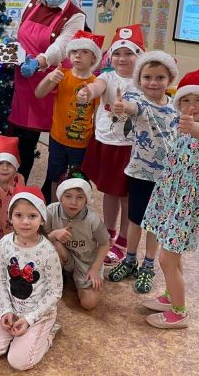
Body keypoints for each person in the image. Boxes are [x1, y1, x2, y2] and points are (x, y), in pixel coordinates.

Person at [141, 69, 199, 329]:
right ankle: (170, 296)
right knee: (173, 257)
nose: (191, 106)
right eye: (186, 100)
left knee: (166, 259)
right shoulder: (183, 128)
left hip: (185, 203)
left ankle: (179, 312)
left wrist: (193, 127)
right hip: (169, 195)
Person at [7, 0, 87, 184]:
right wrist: (13, 46)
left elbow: (62, 46)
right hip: (25, 80)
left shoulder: (75, 15)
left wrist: (40, 61)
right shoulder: (31, 4)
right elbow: (21, 34)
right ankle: (17, 189)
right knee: (24, 140)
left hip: (54, 80)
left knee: (57, 143)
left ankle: (49, 193)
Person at [107, 51, 179, 294]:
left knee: (155, 225)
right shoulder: (138, 101)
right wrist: (121, 107)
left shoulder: (175, 107)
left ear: (169, 79)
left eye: (160, 77)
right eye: (147, 77)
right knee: (135, 220)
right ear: (139, 79)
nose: (153, 82)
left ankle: (148, 265)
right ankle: (130, 260)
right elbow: (130, 108)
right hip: (140, 175)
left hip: (165, 178)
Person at [78, 25, 145, 266]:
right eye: (117, 53)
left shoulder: (143, 82)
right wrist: (88, 91)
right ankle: (108, 233)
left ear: (140, 56)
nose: (122, 58)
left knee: (126, 195)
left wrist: (128, 108)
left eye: (129, 53)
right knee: (109, 191)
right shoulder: (108, 76)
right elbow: (97, 86)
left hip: (131, 146)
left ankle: (123, 239)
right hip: (107, 141)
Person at [0, 187, 63, 371]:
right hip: (12, 307)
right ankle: (18, 336)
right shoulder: (4, 243)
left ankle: (48, 333)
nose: (25, 222)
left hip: (38, 313)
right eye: (18, 215)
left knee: (18, 362)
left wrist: (29, 319)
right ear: (10, 217)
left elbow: (55, 292)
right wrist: (6, 310)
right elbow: (1, 279)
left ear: (42, 219)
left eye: (32, 216)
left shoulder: (48, 251)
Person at [35, 30, 103, 201]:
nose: (78, 55)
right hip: (57, 139)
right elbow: (39, 93)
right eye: (74, 51)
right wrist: (49, 78)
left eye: (84, 52)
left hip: (81, 143)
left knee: (78, 181)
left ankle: (76, 210)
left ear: (94, 58)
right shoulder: (62, 75)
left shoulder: (95, 84)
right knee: (54, 177)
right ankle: (54, 208)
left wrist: (96, 142)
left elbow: (98, 114)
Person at [44, 172, 109, 310]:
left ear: (87, 199)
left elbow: (105, 243)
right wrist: (55, 234)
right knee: (54, 245)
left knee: (89, 303)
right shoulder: (51, 211)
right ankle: (58, 277)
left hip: (86, 262)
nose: (73, 202)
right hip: (63, 255)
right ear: (60, 196)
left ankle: (77, 279)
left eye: (80, 197)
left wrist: (95, 268)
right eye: (68, 196)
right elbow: (39, 240)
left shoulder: (92, 219)